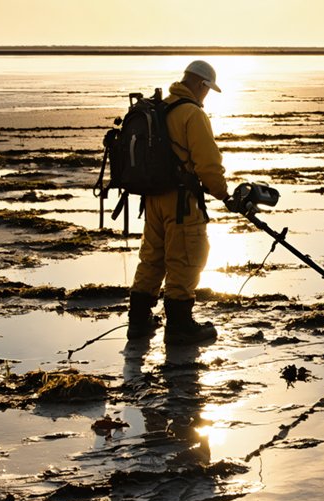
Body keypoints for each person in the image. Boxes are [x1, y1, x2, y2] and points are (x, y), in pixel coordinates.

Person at [127, 60, 230, 345]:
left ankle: (138, 321)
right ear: (199, 84)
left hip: (153, 199)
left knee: (152, 257)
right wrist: (223, 194)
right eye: (207, 89)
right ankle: (180, 326)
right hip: (180, 202)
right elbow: (208, 164)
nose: (206, 95)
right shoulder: (191, 114)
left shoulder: (159, 108)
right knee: (186, 257)